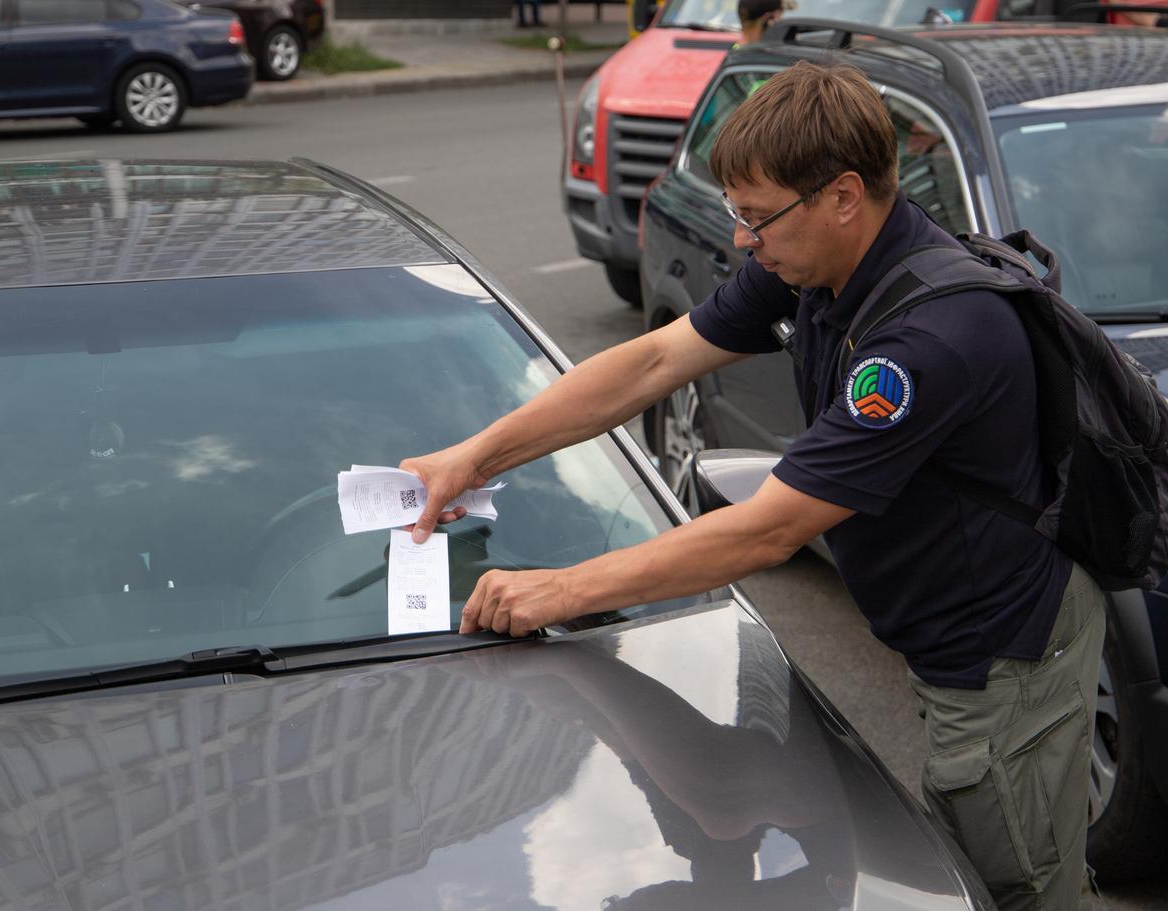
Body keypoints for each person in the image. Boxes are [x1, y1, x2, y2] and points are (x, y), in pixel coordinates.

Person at [401, 62, 1104, 910]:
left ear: (843, 195)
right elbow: (659, 359)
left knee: (1013, 889)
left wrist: (557, 591)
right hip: (944, 644)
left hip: (1004, 663)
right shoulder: (821, 257)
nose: (741, 239)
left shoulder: (929, 342)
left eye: (754, 216)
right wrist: (475, 458)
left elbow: (765, 531)